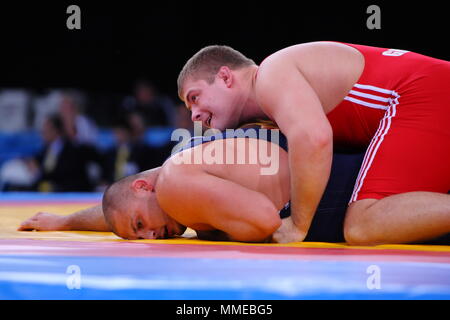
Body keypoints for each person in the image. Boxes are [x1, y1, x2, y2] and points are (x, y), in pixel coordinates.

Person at [177, 42, 450, 245]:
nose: (195, 115)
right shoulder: (274, 106)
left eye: (195, 97)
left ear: (225, 77)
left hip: (421, 93)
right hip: (424, 93)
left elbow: (315, 139)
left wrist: (298, 225)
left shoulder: (271, 75)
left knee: (363, 225)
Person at [19, 126, 370, 242]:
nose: (150, 237)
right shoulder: (167, 180)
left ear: (144, 186)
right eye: (139, 235)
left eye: (141, 227)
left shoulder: (176, 181)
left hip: (353, 187)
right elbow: (123, 209)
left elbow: (265, 219)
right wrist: (65, 221)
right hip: (342, 192)